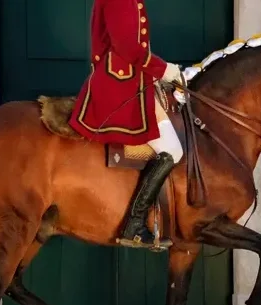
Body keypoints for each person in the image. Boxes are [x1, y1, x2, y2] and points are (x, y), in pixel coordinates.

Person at [68, 0, 184, 249]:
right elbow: (127, 47)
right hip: (121, 87)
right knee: (173, 149)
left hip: (134, 80)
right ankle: (134, 225)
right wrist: (163, 69)